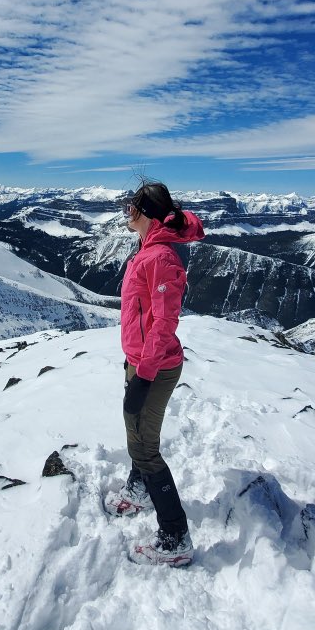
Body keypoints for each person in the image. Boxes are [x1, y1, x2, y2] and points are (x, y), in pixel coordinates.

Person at [105, 181, 204, 566]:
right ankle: (140, 488)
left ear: (144, 212)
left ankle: (175, 536)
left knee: (144, 447)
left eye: (130, 207)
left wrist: (143, 376)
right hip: (142, 361)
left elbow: (164, 323)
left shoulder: (159, 257)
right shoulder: (149, 250)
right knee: (137, 432)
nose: (126, 213)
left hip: (154, 366)